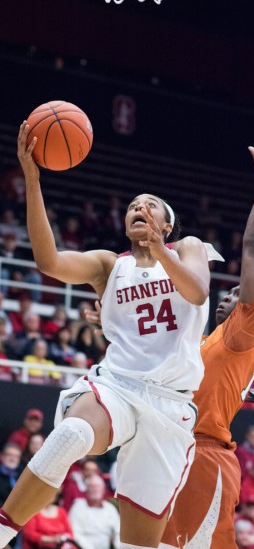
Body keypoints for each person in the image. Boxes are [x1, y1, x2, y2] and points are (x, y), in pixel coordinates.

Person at [0, 120, 223, 549]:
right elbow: (48, 262)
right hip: (117, 386)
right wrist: (33, 179)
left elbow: (196, 292)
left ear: (167, 224)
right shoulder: (109, 264)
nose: (139, 206)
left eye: (150, 204)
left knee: (139, 544)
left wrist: (159, 249)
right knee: (70, 435)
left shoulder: (189, 248)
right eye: (133, 204)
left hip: (172, 403)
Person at [160, 126, 254, 549]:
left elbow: (252, 244)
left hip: (205, 458)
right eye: (232, 292)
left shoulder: (245, 334)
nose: (230, 297)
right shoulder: (210, 341)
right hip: (177, 450)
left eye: (239, 295)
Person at [68, 474, 120, 549]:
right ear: (86, 489)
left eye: (98, 486)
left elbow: (118, 532)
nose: (95, 489)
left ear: (103, 489)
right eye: (92, 486)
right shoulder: (77, 507)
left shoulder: (110, 508)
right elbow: (75, 533)